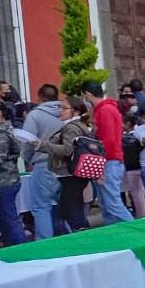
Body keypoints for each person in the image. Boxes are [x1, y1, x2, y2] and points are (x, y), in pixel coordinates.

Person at [38, 98, 93, 232]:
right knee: (73, 206)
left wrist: (45, 145)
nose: (60, 111)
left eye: (64, 108)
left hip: (69, 172)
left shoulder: (71, 127)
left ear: (75, 111)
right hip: (78, 172)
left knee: (71, 208)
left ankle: (81, 237)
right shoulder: (80, 125)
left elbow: (68, 150)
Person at [81, 82, 132, 224]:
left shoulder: (105, 110)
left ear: (88, 94)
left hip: (109, 161)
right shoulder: (105, 109)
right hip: (109, 161)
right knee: (106, 205)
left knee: (112, 205)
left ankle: (137, 230)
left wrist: (99, 166)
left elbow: (108, 140)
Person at [22, 84, 64, 239]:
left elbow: (27, 141)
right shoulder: (65, 112)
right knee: (63, 204)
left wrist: (29, 159)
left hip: (43, 163)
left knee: (41, 206)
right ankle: (66, 236)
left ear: (40, 97)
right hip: (64, 164)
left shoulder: (35, 116)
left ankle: (44, 242)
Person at [0, 99, 23, 245]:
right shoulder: (5, 129)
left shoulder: (1, 132)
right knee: (5, 218)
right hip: (5, 180)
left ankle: (20, 249)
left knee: (9, 218)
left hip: (4, 180)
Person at [120, 115, 145, 219]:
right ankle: (139, 214)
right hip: (134, 166)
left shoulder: (133, 135)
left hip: (132, 167)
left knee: (136, 192)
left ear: (127, 123)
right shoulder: (136, 134)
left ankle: (140, 216)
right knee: (136, 192)